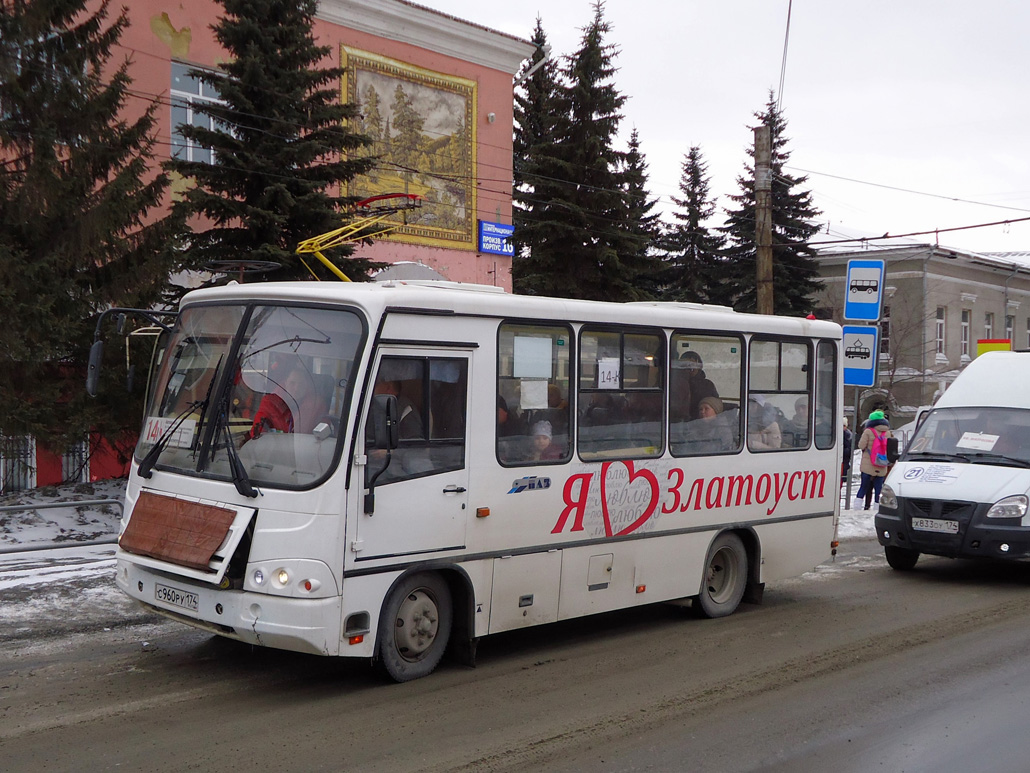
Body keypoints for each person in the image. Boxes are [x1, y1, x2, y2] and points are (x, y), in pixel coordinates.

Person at [247, 363, 328, 440]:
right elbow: (257, 432)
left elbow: (324, 431)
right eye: (292, 383)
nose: (296, 388)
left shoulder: (317, 406)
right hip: (275, 449)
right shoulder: (270, 403)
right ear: (285, 383)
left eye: (301, 384)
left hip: (304, 450)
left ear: (307, 385)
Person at [856, 409, 892, 510]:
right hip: (882, 463)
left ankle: (857, 508)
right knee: (878, 489)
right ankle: (877, 509)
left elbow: (861, 445)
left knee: (863, 487)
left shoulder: (868, 431)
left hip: (868, 464)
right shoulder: (887, 433)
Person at [679, 351, 719, 419]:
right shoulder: (675, 383)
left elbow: (715, 406)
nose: (690, 367)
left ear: (700, 366)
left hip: (701, 421)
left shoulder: (707, 385)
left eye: (693, 364)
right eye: (685, 365)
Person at [841, 416, 853, 489]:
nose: (843, 427)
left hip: (845, 457)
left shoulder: (847, 435)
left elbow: (849, 446)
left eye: (844, 426)